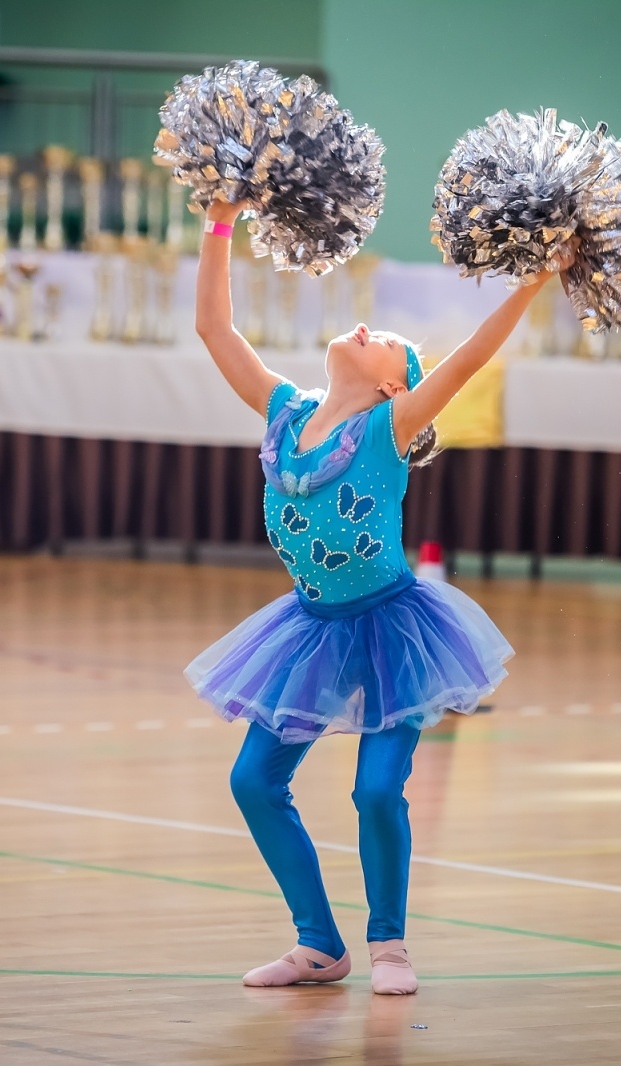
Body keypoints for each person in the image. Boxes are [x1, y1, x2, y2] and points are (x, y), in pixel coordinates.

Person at [185, 197, 560, 995]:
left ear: (394, 385)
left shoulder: (388, 430)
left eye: (384, 339)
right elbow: (215, 330)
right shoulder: (283, 412)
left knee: (376, 788)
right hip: (312, 629)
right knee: (253, 782)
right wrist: (220, 221)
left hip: (395, 628)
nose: (365, 327)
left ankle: (388, 944)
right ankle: (319, 945)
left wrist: (530, 285)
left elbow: (464, 362)